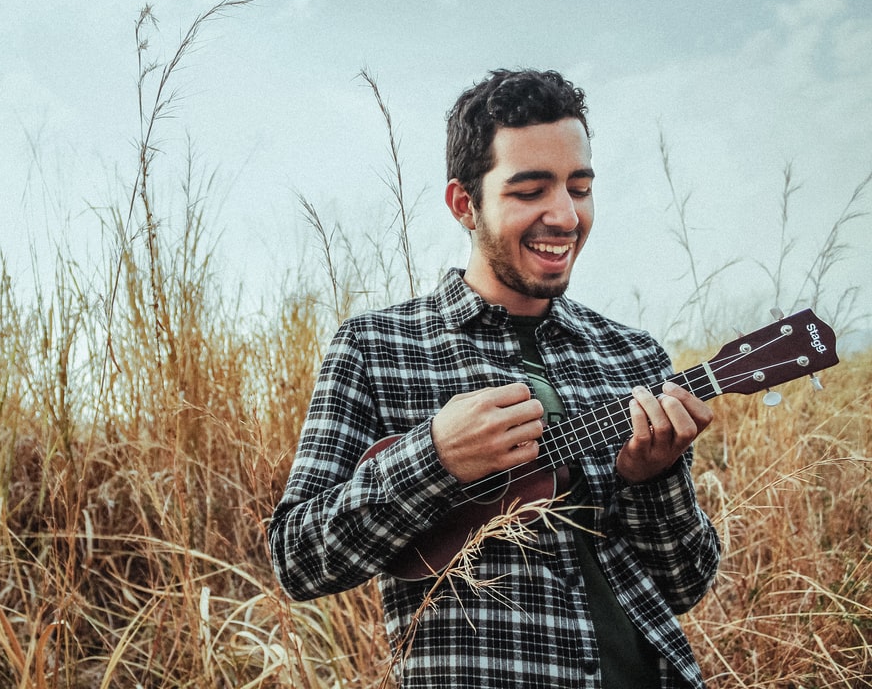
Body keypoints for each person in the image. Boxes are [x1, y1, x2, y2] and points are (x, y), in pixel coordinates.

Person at [268, 69, 721, 688]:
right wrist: (434, 457)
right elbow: (298, 558)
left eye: (580, 188)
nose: (564, 215)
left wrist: (654, 481)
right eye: (530, 190)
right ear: (464, 204)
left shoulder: (633, 357)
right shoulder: (377, 348)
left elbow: (684, 586)